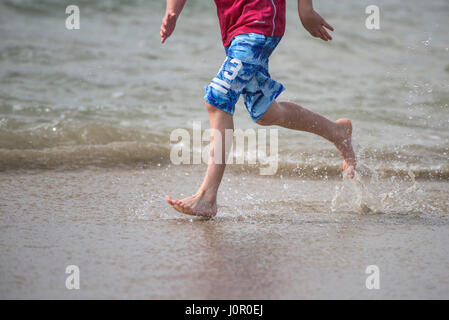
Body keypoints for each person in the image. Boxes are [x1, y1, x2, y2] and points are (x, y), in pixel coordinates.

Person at [162, 0, 356, 217]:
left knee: (218, 98)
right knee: (265, 112)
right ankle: (337, 132)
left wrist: (305, 10)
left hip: (259, 22)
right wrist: (172, 11)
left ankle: (207, 197)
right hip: (234, 27)